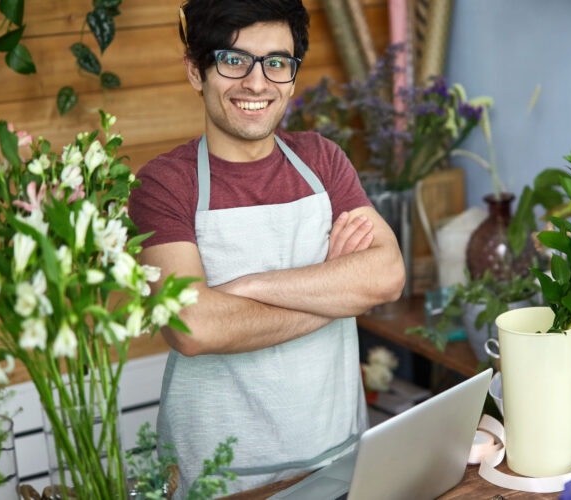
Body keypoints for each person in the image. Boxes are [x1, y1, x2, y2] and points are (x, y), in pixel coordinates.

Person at [128, 0, 405, 496]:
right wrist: (338, 291)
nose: (257, 84)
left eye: (276, 63)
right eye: (234, 60)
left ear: (292, 77)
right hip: (216, 476)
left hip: (337, 457)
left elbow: (385, 275)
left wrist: (246, 288)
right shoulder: (164, 185)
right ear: (197, 72)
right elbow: (191, 327)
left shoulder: (322, 160)